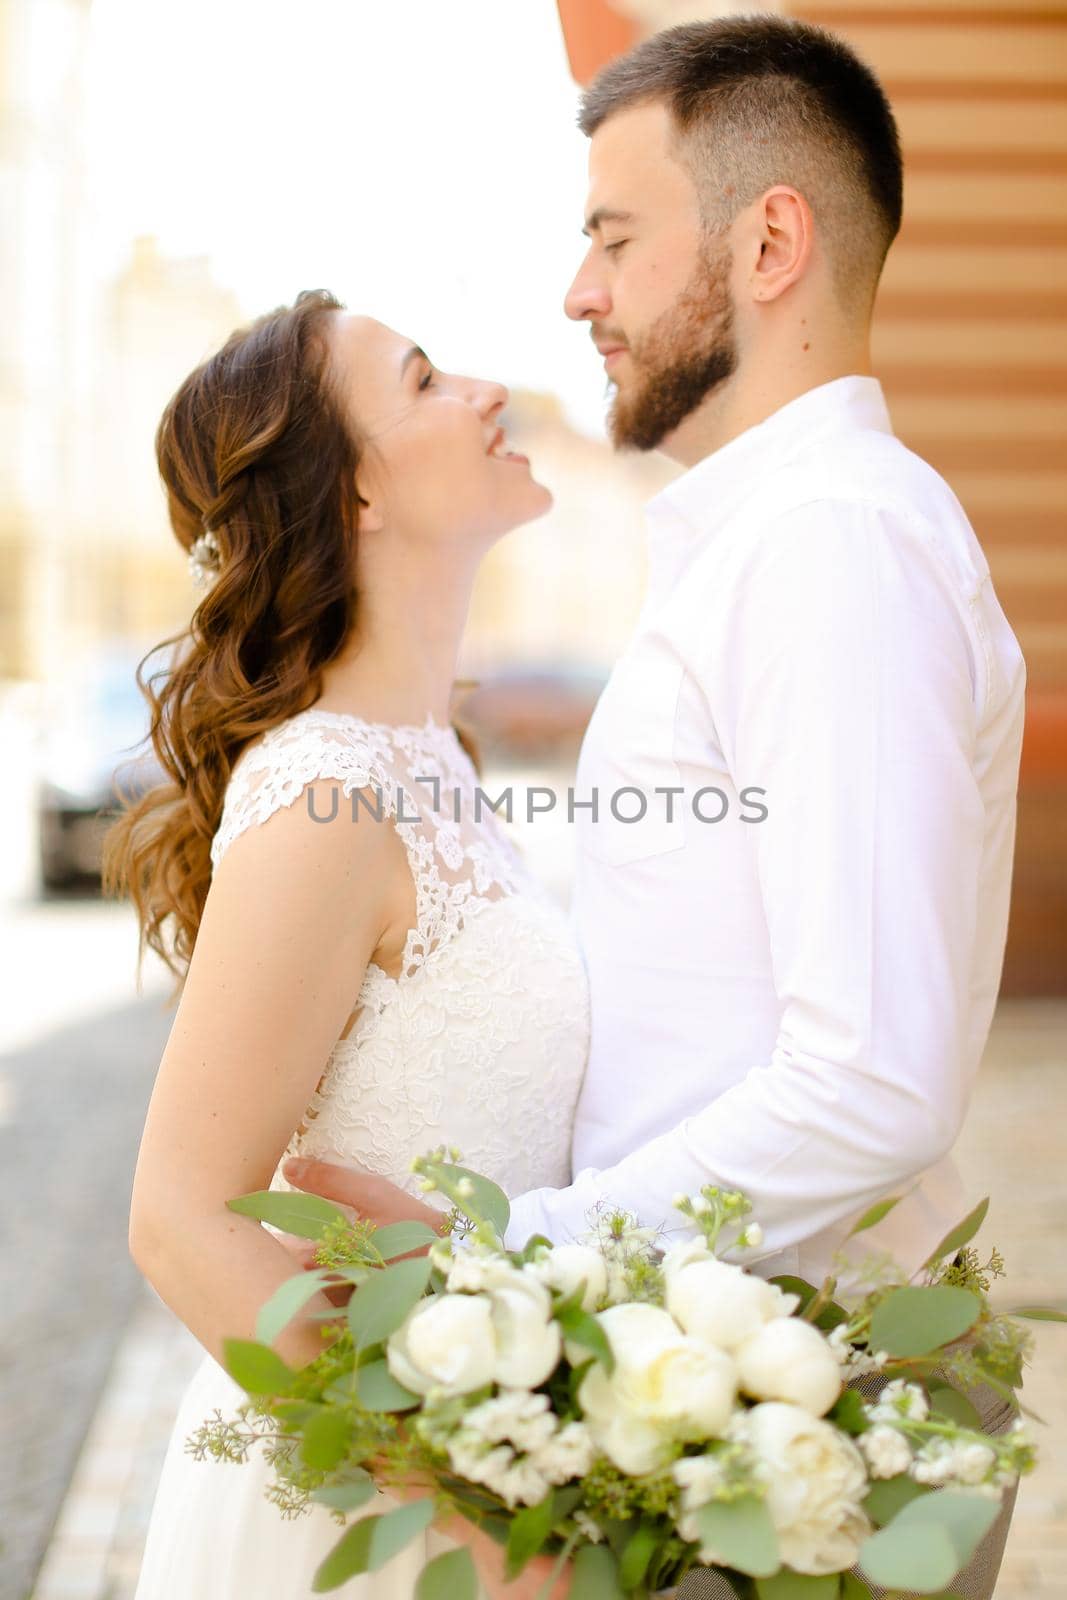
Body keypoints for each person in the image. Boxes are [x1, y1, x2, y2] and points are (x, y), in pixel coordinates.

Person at [287, 19, 1026, 1600]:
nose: (577, 295)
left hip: (804, 1425)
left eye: (614, 240)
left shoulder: (835, 549)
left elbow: (875, 1080)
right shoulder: (770, 544)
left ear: (770, 242)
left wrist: (510, 1267)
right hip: (725, 1393)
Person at [108, 291, 586, 1598]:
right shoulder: (327, 789)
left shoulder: (433, 761)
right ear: (357, 493)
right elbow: (181, 1218)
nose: (488, 390)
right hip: (374, 1524)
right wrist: (474, 1517)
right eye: (427, 379)